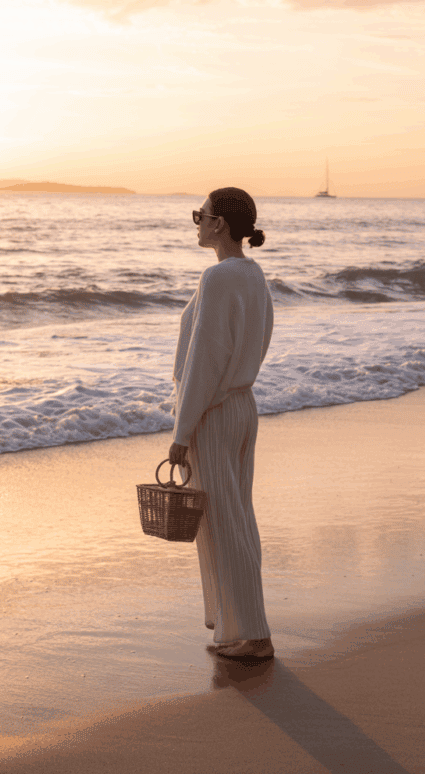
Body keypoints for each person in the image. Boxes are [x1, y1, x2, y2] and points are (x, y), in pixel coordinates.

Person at [168, 187, 274, 659]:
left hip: (214, 413)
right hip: (242, 406)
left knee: (224, 522)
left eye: (201, 215)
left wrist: (181, 432)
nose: (196, 222)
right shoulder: (252, 274)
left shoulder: (218, 278)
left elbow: (203, 363)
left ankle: (252, 635)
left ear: (220, 225)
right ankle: (236, 626)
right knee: (236, 518)